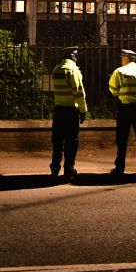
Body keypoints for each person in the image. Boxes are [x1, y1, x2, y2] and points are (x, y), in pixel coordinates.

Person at [109, 48, 136, 178]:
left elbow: (112, 89)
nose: (121, 59)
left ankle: (119, 168)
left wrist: (120, 94)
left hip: (124, 108)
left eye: (122, 57)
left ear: (127, 58)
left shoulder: (119, 71)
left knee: (122, 139)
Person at [50, 46, 87, 179]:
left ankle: (55, 168)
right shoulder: (73, 70)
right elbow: (79, 92)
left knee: (57, 140)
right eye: (76, 56)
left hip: (58, 109)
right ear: (72, 56)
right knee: (71, 141)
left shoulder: (56, 70)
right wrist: (83, 110)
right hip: (71, 110)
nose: (76, 59)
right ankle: (69, 170)